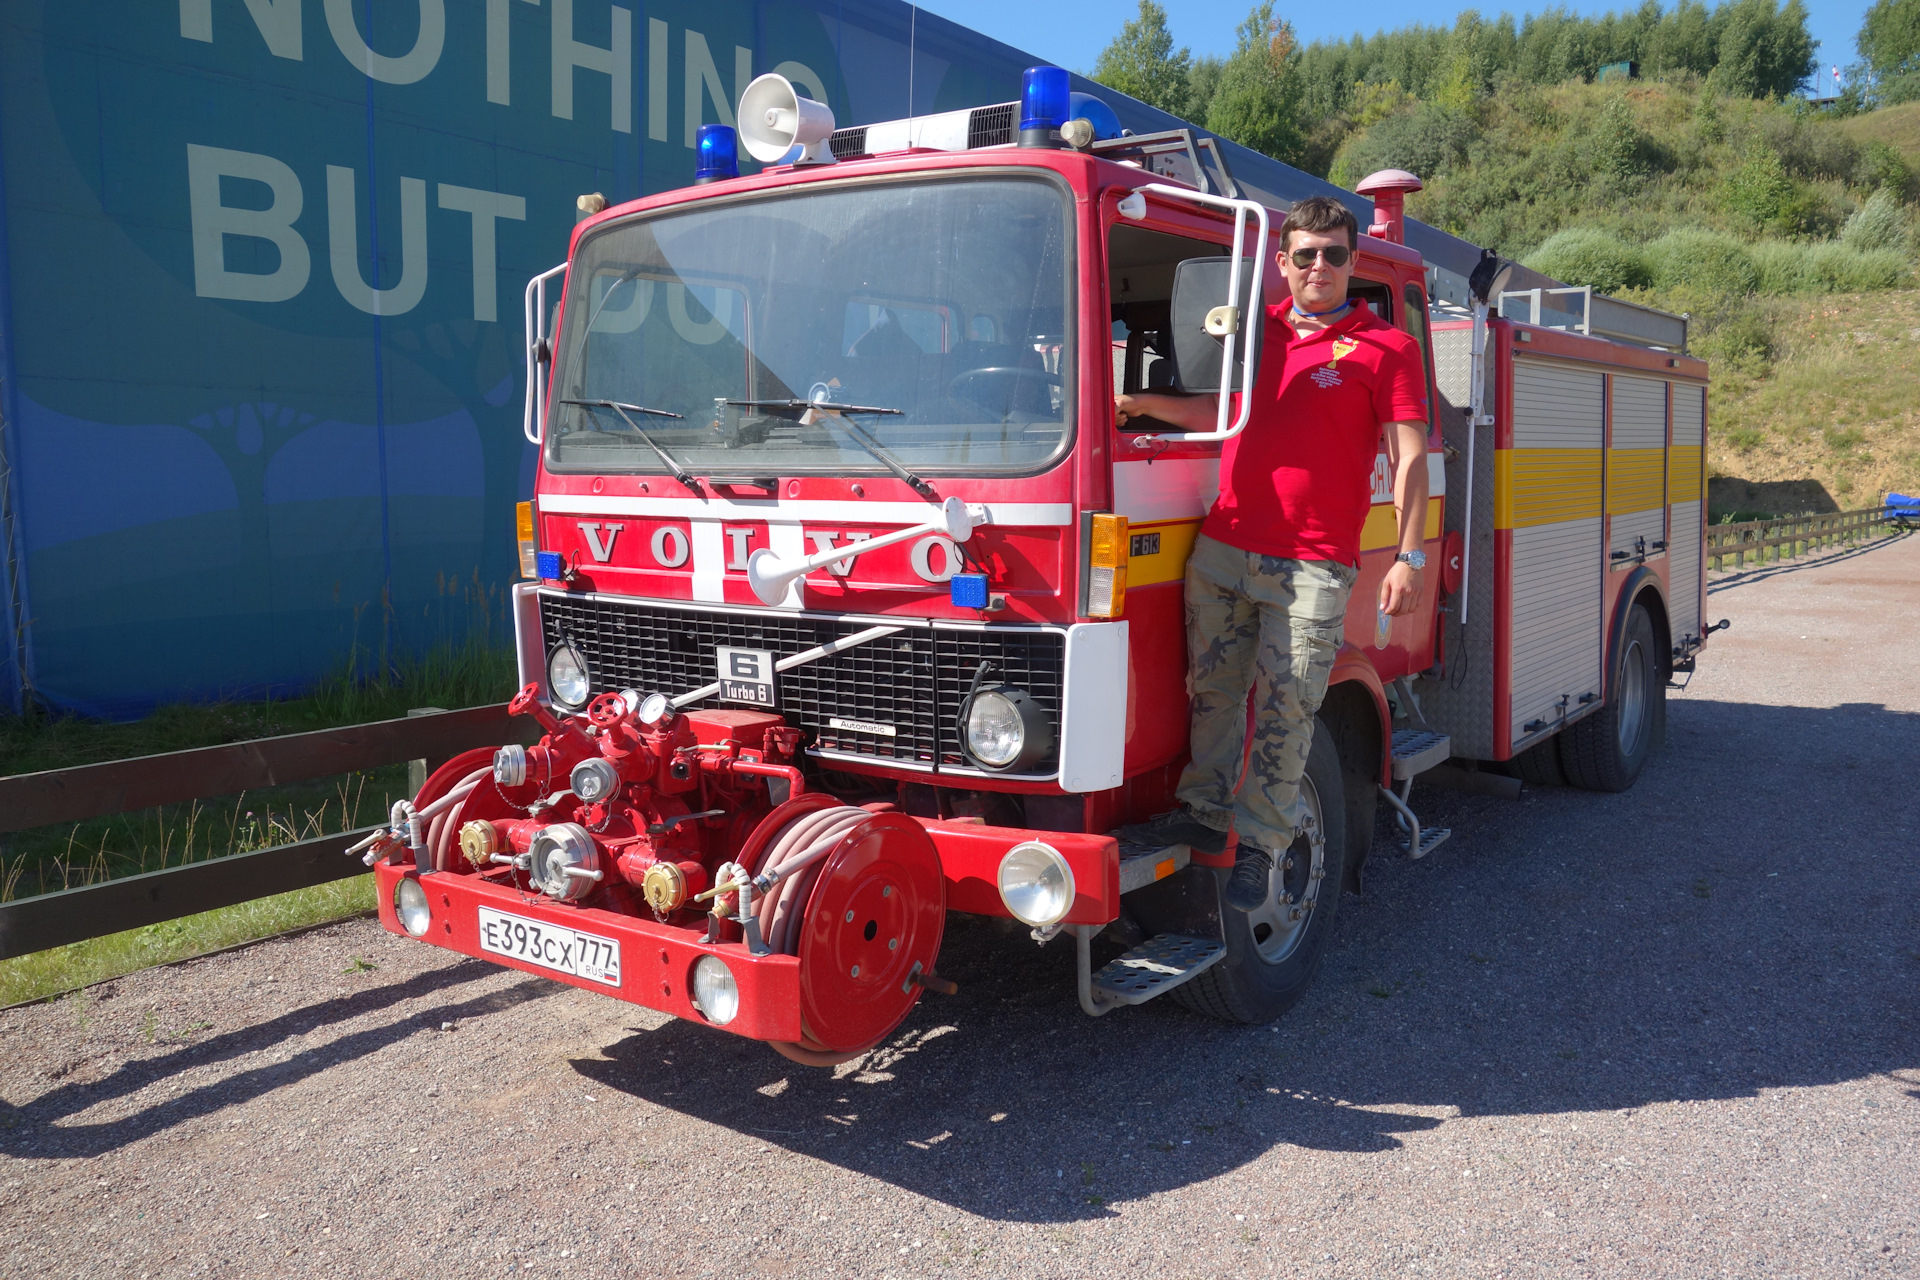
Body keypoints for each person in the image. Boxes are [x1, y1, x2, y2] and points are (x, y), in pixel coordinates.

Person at [1115, 195, 1430, 912]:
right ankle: (1204, 810)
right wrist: (1143, 403)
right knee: (1215, 695)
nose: (1320, 266)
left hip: (1313, 565)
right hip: (1223, 550)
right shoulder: (1256, 334)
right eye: (1306, 254)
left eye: (1336, 254)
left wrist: (1408, 557)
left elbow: (1410, 458)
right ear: (1281, 263)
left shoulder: (1387, 348)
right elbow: (1221, 414)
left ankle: (1261, 847)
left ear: (1352, 262)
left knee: (1290, 710)